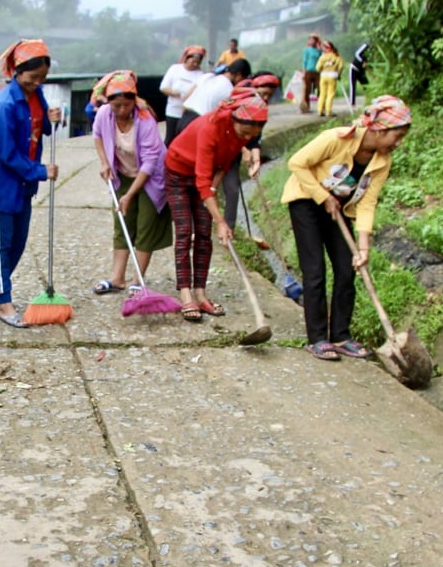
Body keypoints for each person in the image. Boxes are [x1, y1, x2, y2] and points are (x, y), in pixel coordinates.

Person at [281, 95, 411, 361]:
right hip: (305, 201)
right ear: (378, 129)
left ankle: (340, 335)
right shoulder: (337, 138)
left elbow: (367, 203)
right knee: (315, 269)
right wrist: (322, 196)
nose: (398, 144)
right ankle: (317, 338)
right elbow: (296, 163)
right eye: (396, 137)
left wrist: (363, 248)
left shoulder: (381, 161)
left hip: (338, 208)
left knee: (346, 267)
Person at [164, 90, 268, 322]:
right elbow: (201, 179)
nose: (247, 136)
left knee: (204, 233)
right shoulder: (210, 127)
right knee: (185, 232)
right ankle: (185, 293)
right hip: (178, 173)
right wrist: (221, 221)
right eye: (245, 131)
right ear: (234, 118)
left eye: (253, 134)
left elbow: (224, 162)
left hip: (207, 175)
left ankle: (200, 293)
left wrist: (213, 189)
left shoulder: (242, 133)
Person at [0, 39, 61, 328]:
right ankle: (4, 303)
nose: (37, 83)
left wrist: (52, 119)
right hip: (3, 183)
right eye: (32, 78)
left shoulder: (36, 95)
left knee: (18, 243)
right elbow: (6, 153)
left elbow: (38, 128)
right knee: (1, 246)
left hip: (23, 183)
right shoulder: (3, 106)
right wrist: (40, 171)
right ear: (16, 71)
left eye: (42, 78)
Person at [90, 70, 170, 296]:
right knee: (121, 222)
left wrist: (131, 194)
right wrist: (104, 162)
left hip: (151, 177)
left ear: (134, 101)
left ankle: (137, 281)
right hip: (122, 173)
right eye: (117, 106)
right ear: (109, 103)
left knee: (146, 224)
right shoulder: (104, 114)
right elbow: (97, 135)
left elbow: (150, 163)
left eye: (126, 105)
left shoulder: (145, 120)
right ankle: (117, 278)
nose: (121, 110)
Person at [221, 71, 280, 229]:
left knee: (233, 191)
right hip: (219, 148)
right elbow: (227, 131)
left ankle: (229, 230)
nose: (266, 98)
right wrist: (244, 150)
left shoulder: (261, 109)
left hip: (233, 156)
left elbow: (255, 139)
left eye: (270, 95)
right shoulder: (237, 103)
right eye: (264, 94)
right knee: (206, 190)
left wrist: (256, 161)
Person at [172, 57, 252, 141]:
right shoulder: (230, 91)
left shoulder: (208, 76)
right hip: (198, 125)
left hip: (183, 119)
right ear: (238, 74)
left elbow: (186, 97)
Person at [159, 45, 206, 146]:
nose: (195, 64)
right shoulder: (175, 69)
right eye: (193, 61)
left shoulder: (200, 75)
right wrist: (176, 93)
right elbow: (163, 87)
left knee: (183, 141)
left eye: (198, 62)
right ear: (186, 58)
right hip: (173, 111)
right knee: (170, 139)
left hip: (188, 114)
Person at [316, 41, 345, 117]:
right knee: (330, 94)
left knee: (322, 94)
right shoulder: (337, 56)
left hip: (323, 76)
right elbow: (341, 66)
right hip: (332, 76)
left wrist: (323, 69)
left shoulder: (322, 57)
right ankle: (328, 111)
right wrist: (338, 73)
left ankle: (320, 110)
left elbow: (318, 68)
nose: (324, 49)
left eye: (325, 47)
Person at [299, 34, 322, 114]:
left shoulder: (319, 50)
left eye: (313, 40)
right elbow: (304, 61)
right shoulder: (307, 50)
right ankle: (306, 107)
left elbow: (321, 59)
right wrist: (304, 71)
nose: (311, 41)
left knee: (320, 88)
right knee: (307, 89)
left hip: (317, 72)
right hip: (308, 71)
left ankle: (321, 106)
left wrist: (320, 48)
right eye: (310, 40)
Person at [348, 42, 370, 108]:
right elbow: (357, 53)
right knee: (353, 86)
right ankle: (352, 103)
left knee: (367, 85)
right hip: (354, 68)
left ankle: (369, 99)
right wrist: (362, 61)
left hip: (361, 70)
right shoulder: (365, 46)